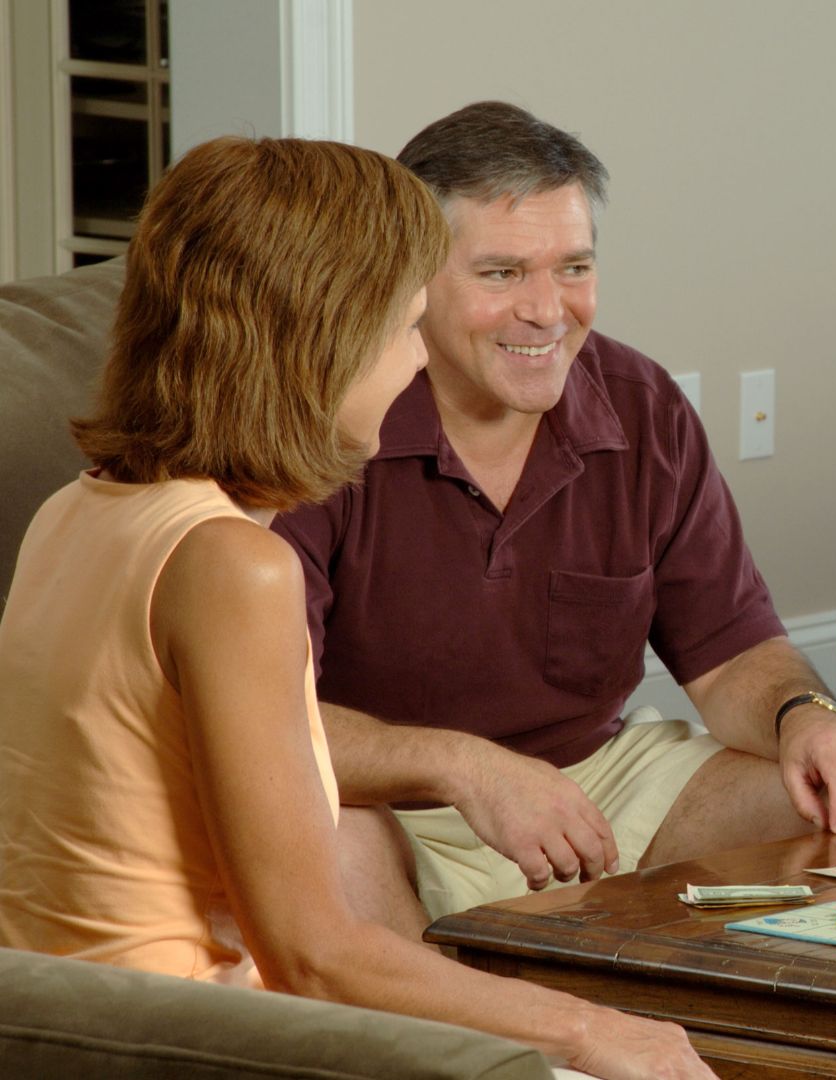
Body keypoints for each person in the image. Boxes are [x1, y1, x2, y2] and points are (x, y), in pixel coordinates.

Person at [0, 136, 713, 1079]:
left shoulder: (80, 507)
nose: (417, 365)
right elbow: (315, 957)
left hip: (68, 1017)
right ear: (321, 340)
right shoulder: (233, 566)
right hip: (190, 1039)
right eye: (406, 326)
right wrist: (590, 1029)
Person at [270, 102, 836, 930]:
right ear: (411, 280)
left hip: (600, 782)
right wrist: (468, 769)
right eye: (501, 274)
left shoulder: (643, 406)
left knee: (815, 809)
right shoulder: (329, 426)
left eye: (572, 267)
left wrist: (805, 719)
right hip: (391, 803)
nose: (547, 310)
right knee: (330, 845)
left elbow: (733, 651)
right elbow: (269, 719)